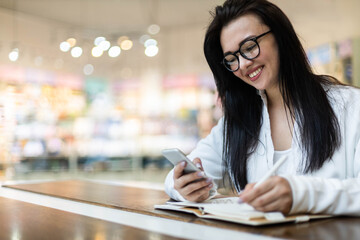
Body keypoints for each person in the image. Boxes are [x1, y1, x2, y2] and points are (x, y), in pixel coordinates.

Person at [164, 0, 360, 215]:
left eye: (249, 47)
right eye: (232, 59)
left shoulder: (350, 106)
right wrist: (183, 186)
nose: (244, 64)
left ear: (280, 37)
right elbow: (178, 176)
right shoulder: (237, 122)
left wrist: (301, 193)